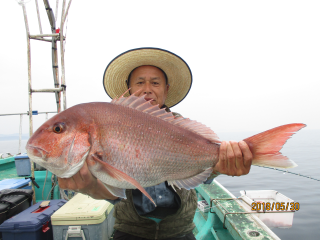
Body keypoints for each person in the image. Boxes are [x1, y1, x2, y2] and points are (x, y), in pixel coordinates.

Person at [58, 48, 253, 240]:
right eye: (140, 82)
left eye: (155, 82)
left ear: (166, 89)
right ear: (129, 88)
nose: (147, 88)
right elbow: (113, 193)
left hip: (180, 231)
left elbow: (204, 177)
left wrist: (220, 167)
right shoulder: (110, 125)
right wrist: (91, 188)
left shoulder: (182, 127)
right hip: (130, 231)